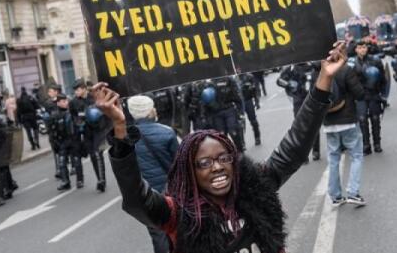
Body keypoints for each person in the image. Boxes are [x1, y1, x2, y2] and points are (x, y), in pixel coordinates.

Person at [96, 42, 346, 253]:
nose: (217, 167)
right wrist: (120, 127)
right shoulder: (178, 214)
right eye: (204, 163)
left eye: (224, 158)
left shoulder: (256, 188)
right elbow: (136, 200)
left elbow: (295, 146)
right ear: (190, 172)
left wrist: (324, 79)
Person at [127, 95, 179, 253]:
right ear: (149, 111)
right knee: (178, 229)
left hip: (145, 194)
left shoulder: (127, 138)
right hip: (170, 192)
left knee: (157, 233)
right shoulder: (167, 132)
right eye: (153, 107)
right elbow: (179, 164)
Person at [322, 62, 366, 206]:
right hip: (348, 121)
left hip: (329, 122)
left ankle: (335, 196)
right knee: (356, 156)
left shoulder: (320, 71)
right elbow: (360, 94)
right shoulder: (345, 69)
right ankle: (353, 193)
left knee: (333, 159)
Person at [277, 62, 320, 161]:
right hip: (298, 101)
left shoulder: (312, 66)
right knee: (300, 129)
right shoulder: (291, 68)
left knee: (314, 126)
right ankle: (304, 155)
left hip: (312, 99)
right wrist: (289, 84)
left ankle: (316, 151)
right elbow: (279, 81)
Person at [70, 79, 108, 192]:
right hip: (85, 131)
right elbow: (73, 116)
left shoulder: (94, 97)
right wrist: (78, 121)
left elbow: (104, 111)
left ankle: (102, 181)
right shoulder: (73, 102)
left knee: (97, 153)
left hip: (98, 130)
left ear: (84, 89)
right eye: (75, 90)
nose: (76, 92)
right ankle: (99, 178)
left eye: (78, 90)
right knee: (92, 156)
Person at [350, 41, 387, 155]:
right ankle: (366, 145)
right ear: (356, 49)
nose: (362, 49)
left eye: (364, 47)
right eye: (360, 47)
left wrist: (383, 95)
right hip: (360, 95)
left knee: (375, 118)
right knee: (362, 120)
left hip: (373, 93)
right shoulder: (352, 63)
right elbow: (349, 81)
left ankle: (377, 144)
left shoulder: (375, 60)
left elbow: (383, 78)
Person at [201, 76, 245, 152]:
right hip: (216, 113)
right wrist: (205, 116)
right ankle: (227, 153)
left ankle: (240, 151)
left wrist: (240, 111)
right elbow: (205, 101)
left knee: (233, 131)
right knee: (221, 136)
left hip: (229, 109)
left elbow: (236, 95)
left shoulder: (228, 80)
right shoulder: (208, 83)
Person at [50, 94, 84, 190]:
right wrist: (55, 143)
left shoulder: (72, 112)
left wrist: (80, 138)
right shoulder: (55, 115)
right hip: (63, 141)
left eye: (66, 101)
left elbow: (80, 124)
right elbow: (52, 131)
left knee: (77, 160)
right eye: (63, 101)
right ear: (58, 103)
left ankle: (80, 180)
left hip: (74, 140)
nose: (66, 103)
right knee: (62, 162)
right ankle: (65, 181)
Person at [237, 72, 262, 146]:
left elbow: (255, 89)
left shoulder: (249, 77)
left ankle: (257, 137)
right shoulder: (234, 78)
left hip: (248, 101)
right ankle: (242, 143)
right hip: (239, 103)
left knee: (253, 121)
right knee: (240, 123)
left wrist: (257, 102)